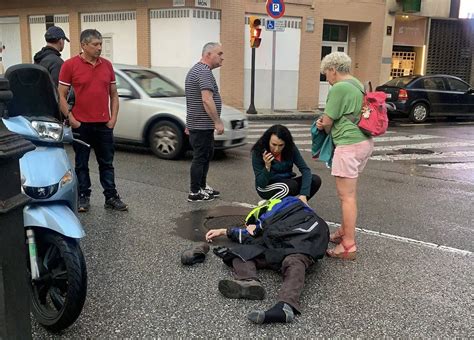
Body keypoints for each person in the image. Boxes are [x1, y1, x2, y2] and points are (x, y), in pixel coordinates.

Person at [205, 196, 329, 324]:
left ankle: (286, 306)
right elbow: (253, 236)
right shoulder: (273, 224)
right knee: (241, 252)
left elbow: (254, 231)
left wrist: (252, 227)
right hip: (282, 245)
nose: (248, 227)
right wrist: (226, 231)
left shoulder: (278, 206)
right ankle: (248, 281)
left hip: (302, 240)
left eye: (249, 224)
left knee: (293, 261)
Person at [58, 29, 127, 212]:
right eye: (95, 44)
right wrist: (71, 119)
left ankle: (111, 197)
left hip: (103, 124)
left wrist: (113, 118)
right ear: (83, 45)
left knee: (107, 163)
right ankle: (83, 196)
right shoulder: (70, 65)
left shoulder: (107, 65)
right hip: (81, 125)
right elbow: (61, 95)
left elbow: (114, 94)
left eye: (101, 44)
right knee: (82, 163)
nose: (99, 48)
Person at [316, 51, 374, 260]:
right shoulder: (356, 83)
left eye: (326, 74)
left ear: (333, 70)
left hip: (348, 145)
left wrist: (322, 125)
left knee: (346, 197)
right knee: (349, 194)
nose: (327, 79)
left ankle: (348, 244)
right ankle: (343, 231)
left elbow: (328, 119)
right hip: (363, 142)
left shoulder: (339, 88)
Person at [185, 42, 224, 202]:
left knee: (206, 155)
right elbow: (206, 99)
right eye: (219, 54)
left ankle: (201, 186)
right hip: (201, 125)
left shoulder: (198, 70)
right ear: (208, 55)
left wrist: (189, 123)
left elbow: (191, 100)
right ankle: (194, 192)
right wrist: (217, 121)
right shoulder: (203, 72)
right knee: (201, 157)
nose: (222, 57)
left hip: (199, 124)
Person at [251, 124, 322, 204]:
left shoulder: (290, 148)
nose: (276, 149)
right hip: (267, 186)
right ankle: (266, 207)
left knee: (315, 180)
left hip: (287, 183)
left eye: (281, 145)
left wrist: (304, 194)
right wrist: (267, 167)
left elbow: (305, 169)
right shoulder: (258, 151)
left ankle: (296, 207)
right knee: (289, 186)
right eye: (273, 144)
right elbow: (261, 184)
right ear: (268, 141)